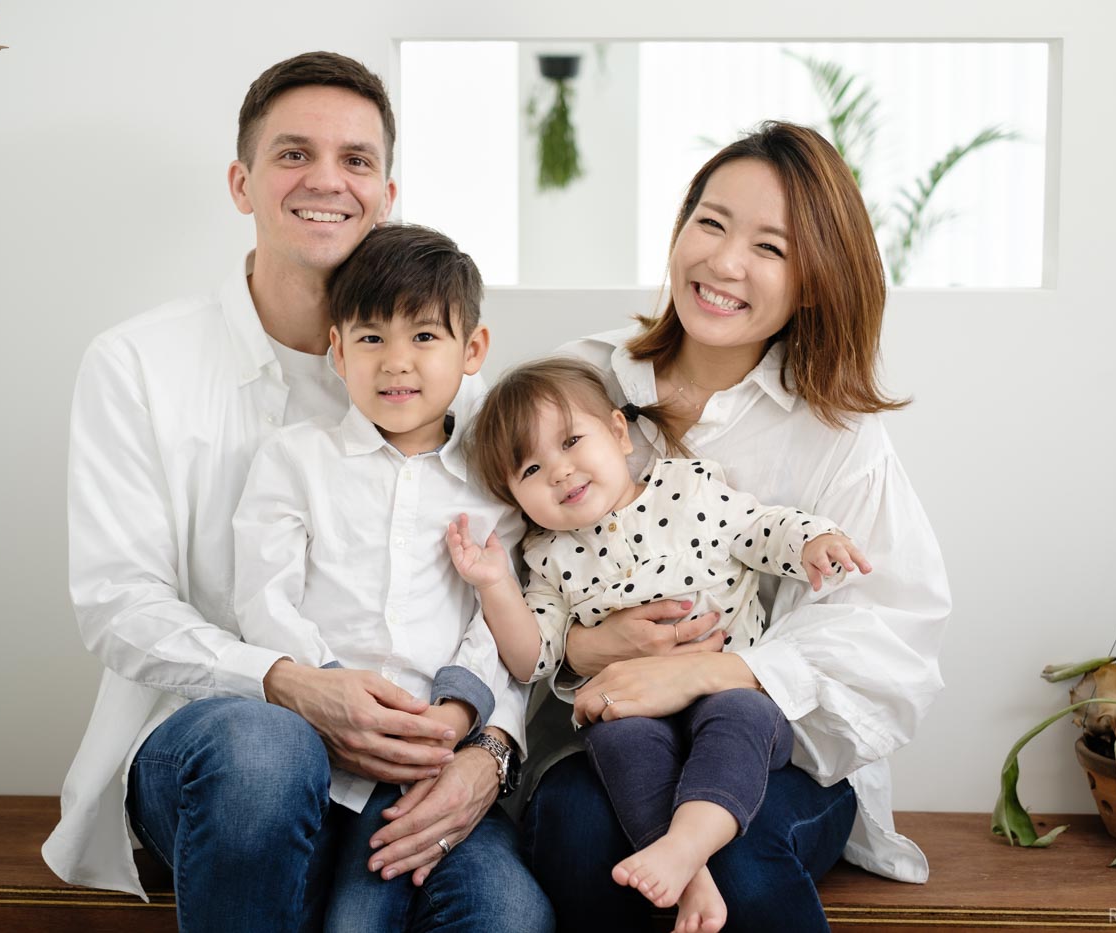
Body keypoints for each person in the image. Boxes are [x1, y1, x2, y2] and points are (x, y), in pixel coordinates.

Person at [43, 52, 550, 933]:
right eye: (292, 154)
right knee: (265, 745)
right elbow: (117, 603)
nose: (327, 180)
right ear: (241, 183)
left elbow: (519, 597)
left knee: (506, 912)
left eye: (355, 159)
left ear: (387, 192)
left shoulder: (462, 410)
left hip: (422, 759)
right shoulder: (138, 364)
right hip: (211, 756)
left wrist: (490, 751)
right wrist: (287, 682)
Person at [521, 121, 953, 933]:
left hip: (773, 750)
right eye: (710, 223)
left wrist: (710, 674)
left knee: (738, 858)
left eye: (771, 248)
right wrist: (588, 648)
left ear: (817, 281)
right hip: (609, 739)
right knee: (580, 830)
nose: (724, 262)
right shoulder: (581, 384)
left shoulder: (840, 434)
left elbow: (894, 633)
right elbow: (511, 578)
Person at [448, 357, 871, 932]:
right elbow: (533, 657)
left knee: (742, 711)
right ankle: (685, 872)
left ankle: (687, 848)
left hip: (725, 694)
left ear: (619, 434)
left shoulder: (688, 487)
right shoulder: (548, 558)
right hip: (633, 714)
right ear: (515, 497)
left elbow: (759, 527)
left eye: (573, 441)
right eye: (530, 469)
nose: (561, 472)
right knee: (618, 741)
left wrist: (812, 541)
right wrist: (496, 585)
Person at [234, 223, 549, 930]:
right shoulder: (294, 460)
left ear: (473, 350)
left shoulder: (494, 478)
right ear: (337, 350)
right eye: (372, 337)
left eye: (425, 337)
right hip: (317, 756)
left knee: (508, 913)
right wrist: (333, 691)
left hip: (444, 755)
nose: (396, 362)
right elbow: (264, 595)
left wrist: (460, 711)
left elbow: (498, 622)